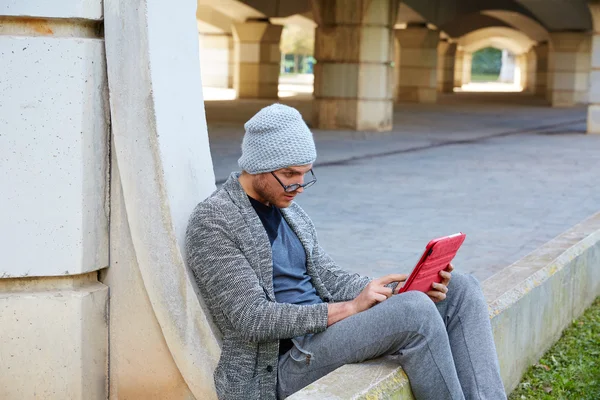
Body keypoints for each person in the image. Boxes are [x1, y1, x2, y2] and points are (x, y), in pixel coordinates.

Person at [185, 104, 506, 400]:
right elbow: (250, 318)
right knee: (415, 312)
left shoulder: (290, 213)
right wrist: (349, 309)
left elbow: (330, 278)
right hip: (282, 361)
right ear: (258, 167)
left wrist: (399, 289)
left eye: (305, 174)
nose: (299, 186)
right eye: (289, 176)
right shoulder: (215, 220)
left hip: (326, 334)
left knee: (462, 287)